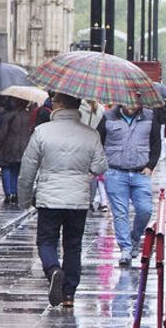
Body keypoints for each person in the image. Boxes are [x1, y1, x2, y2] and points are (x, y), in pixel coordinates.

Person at [19, 92, 107, 307]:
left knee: (46, 241)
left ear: (58, 105)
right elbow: (100, 166)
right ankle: (69, 294)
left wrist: (24, 198)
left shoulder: (42, 132)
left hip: (49, 197)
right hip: (77, 198)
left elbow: (28, 169)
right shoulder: (90, 134)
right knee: (73, 245)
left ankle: (53, 269)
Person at [98, 100, 162, 266]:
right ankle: (125, 249)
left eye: (136, 102)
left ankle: (135, 236)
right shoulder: (108, 116)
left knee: (145, 209)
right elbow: (98, 141)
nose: (132, 106)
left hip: (141, 172)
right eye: (128, 102)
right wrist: (102, 165)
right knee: (120, 213)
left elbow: (156, 143)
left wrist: (150, 166)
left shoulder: (149, 116)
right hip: (115, 172)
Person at [0, 96, 33, 205]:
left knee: (7, 168)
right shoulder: (30, 116)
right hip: (25, 147)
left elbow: (2, 134)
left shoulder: (8, 116)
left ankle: (8, 193)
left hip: (9, 146)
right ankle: (16, 192)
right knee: (19, 170)